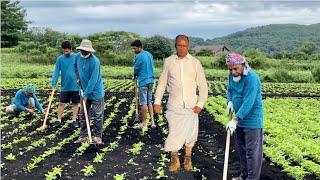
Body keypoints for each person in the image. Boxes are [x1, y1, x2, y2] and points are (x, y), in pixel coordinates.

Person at [153, 34, 208, 173]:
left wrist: (200, 104)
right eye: (179, 45)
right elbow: (162, 83)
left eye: (184, 45)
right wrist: (157, 101)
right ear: (175, 46)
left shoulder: (195, 62)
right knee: (174, 132)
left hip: (191, 106)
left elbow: (203, 86)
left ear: (188, 46)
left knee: (191, 133)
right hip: (174, 105)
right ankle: (175, 159)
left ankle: (188, 158)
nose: (182, 48)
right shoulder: (169, 62)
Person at [225, 52, 264, 180]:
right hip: (239, 121)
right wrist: (229, 101)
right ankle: (244, 176)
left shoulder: (252, 78)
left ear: (243, 65)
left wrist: (235, 119)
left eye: (235, 68)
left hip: (252, 121)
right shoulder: (232, 76)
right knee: (242, 151)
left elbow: (249, 102)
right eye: (230, 69)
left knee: (252, 153)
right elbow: (230, 90)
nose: (233, 72)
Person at [73, 39, 105, 144]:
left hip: (96, 92)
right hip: (83, 90)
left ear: (90, 51)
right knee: (83, 114)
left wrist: (86, 94)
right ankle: (84, 135)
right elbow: (75, 67)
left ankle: (97, 136)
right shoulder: (77, 56)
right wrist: (77, 77)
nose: (84, 52)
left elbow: (93, 80)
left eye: (86, 51)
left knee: (97, 115)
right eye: (82, 50)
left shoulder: (95, 61)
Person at [51, 40, 80, 128]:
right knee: (61, 103)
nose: (65, 52)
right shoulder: (60, 59)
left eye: (67, 51)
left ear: (71, 49)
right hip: (65, 86)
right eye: (64, 51)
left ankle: (74, 120)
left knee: (75, 104)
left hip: (75, 86)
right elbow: (56, 71)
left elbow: (80, 70)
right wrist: (54, 83)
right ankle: (59, 120)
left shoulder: (76, 57)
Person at [131, 39, 156, 128]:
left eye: (135, 49)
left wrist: (134, 75)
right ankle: (152, 122)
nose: (134, 50)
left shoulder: (139, 57)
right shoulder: (149, 55)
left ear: (139, 47)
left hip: (143, 81)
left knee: (143, 102)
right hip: (151, 80)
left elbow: (136, 69)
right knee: (149, 101)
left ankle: (144, 123)